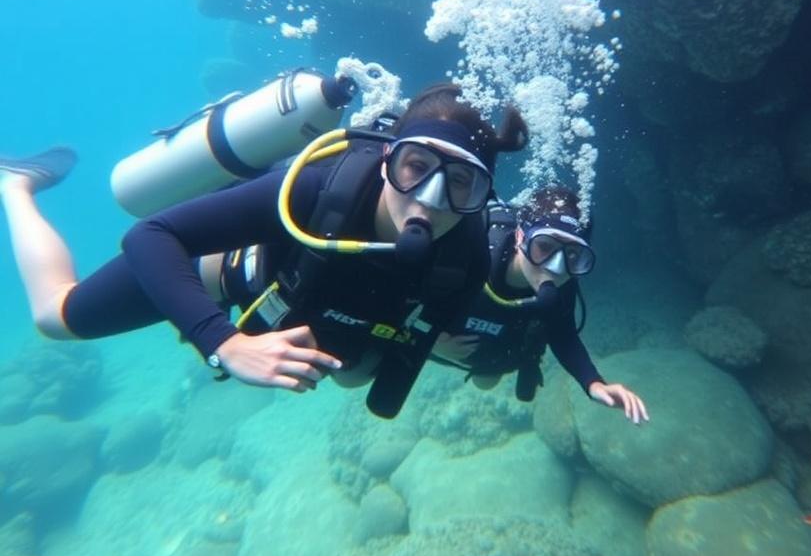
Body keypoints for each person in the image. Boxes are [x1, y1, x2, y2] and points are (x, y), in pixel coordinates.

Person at [0, 83, 528, 418]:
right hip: (221, 270)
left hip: (297, 302)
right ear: (389, 157)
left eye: (462, 183)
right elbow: (148, 236)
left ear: (484, 195)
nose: (433, 201)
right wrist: (223, 341)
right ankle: (15, 185)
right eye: (417, 167)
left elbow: (399, 338)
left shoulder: (467, 261)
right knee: (55, 317)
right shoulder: (319, 190)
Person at [431, 186, 649, 425]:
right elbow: (406, 301)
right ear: (519, 237)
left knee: (486, 381)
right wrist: (428, 341)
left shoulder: (563, 283)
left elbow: (563, 336)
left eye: (574, 255)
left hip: (490, 350)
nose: (555, 267)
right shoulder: (475, 254)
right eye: (545, 246)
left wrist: (594, 384)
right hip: (436, 336)